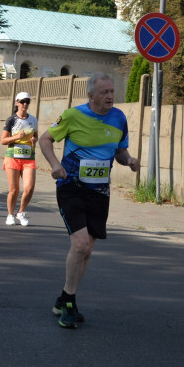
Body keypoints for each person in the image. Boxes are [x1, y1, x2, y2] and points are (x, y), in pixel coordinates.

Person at [38, 72, 140, 329]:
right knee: (80, 244)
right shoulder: (73, 115)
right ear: (91, 95)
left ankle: (64, 296)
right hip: (71, 187)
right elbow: (45, 139)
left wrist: (128, 160)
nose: (109, 96)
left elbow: (119, 150)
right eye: (104, 92)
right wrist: (55, 164)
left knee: (88, 248)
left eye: (112, 92)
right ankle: (70, 302)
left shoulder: (119, 118)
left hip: (99, 191)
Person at [0, 91, 38, 227]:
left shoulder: (33, 120)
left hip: (28, 157)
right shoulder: (12, 120)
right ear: (17, 103)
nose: (25, 104)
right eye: (22, 102)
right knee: (14, 190)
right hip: (13, 157)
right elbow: (3, 140)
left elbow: (36, 136)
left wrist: (34, 139)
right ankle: (10, 214)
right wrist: (16, 137)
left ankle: (20, 212)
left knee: (29, 188)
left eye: (27, 101)